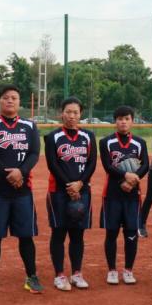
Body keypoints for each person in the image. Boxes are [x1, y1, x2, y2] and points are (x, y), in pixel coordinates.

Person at [0, 84, 42, 296]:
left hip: (22, 188)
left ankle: (31, 277)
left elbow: (33, 153)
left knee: (26, 235)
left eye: (14, 97)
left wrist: (20, 172)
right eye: (6, 97)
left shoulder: (29, 126)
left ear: (19, 101)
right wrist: (9, 174)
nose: (10, 101)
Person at [44, 97, 97, 290]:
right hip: (59, 191)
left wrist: (80, 184)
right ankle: (59, 274)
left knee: (77, 234)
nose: (72, 116)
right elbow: (53, 164)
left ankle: (76, 273)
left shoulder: (89, 137)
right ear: (61, 113)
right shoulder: (53, 137)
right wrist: (69, 185)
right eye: (68, 112)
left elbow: (92, 163)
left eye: (75, 112)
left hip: (82, 190)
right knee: (59, 232)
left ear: (80, 114)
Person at [98, 105, 148, 285]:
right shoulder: (106, 142)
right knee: (111, 233)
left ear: (132, 121)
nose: (123, 122)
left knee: (131, 233)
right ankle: (112, 270)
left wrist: (132, 181)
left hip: (132, 195)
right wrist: (124, 178)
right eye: (119, 119)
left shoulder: (140, 143)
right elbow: (107, 166)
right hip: (112, 194)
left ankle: (128, 270)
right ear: (115, 122)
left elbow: (145, 166)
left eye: (126, 119)